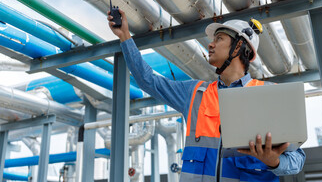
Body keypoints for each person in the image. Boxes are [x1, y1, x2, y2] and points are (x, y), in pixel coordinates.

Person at [108, 10, 305, 182]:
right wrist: (125, 35)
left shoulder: (268, 95)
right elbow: (147, 80)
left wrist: (274, 161)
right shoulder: (194, 93)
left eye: (219, 39)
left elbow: (298, 160)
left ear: (240, 48)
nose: (210, 45)